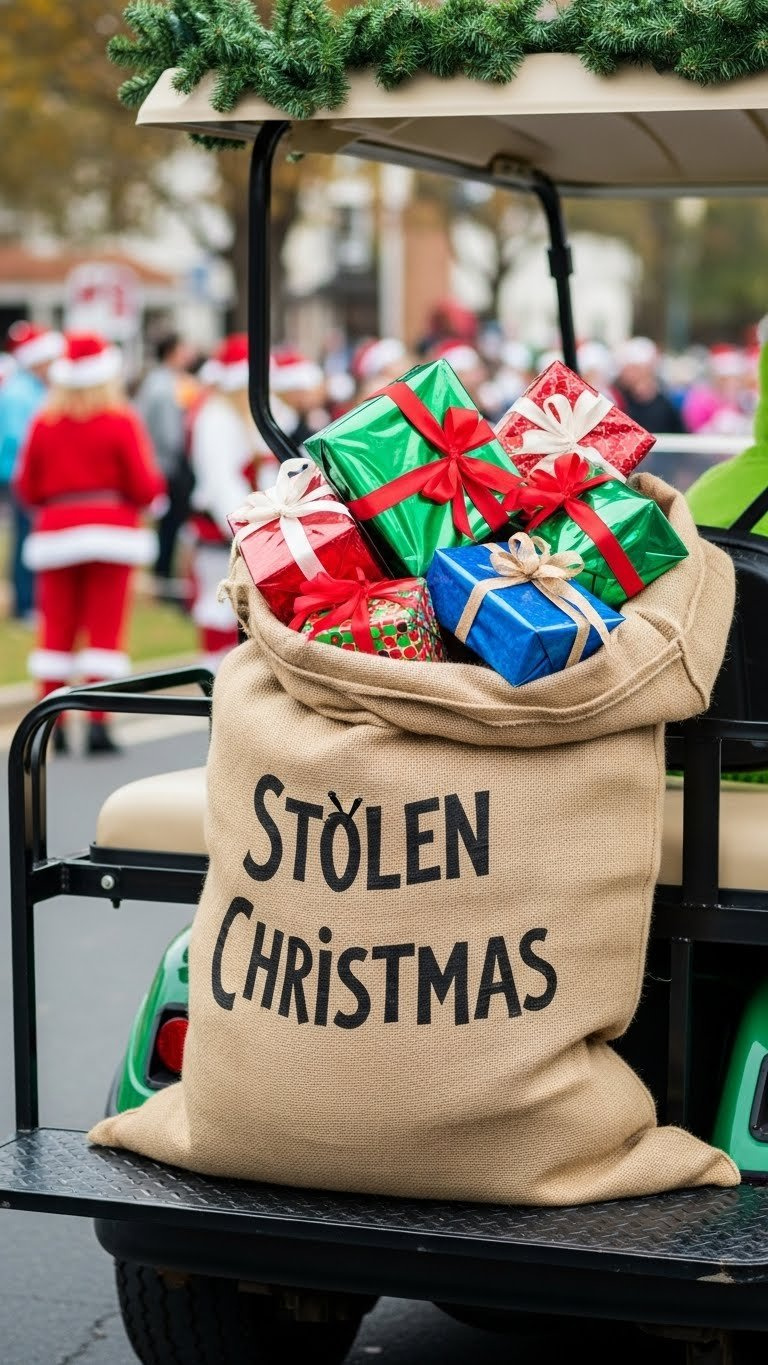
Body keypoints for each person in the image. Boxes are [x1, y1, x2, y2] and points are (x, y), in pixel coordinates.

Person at [13, 332, 166, 755]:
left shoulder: (43, 424)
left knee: (55, 633)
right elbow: (143, 484)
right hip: (112, 532)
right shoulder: (120, 421)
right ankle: (99, 723)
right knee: (105, 632)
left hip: (56, 533)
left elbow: (27, 486)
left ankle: (53, 725)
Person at [187, 334, 272, 673]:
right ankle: (216, 685)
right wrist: (247, 526)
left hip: (247, 527)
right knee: (218, 606)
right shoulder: (216, 419)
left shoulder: (244, 416)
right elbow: (221, 482)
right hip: (224, 530)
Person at [0, 322, 64, 620]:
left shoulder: (34, 388)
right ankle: (25, 604)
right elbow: (18, 438)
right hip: (20, 475)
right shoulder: (18, 392)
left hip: (34, 474)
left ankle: (32, 601)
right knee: (26, 537)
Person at [686, 319, 768, 536]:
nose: (729, 383)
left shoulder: (708, 490)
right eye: (724, 378)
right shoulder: (702, 399)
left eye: (733, 378)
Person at [133, 331, 196, 596]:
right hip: (167, 465)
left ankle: (163, 574)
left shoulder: (156, 381)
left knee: (167, 525)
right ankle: (164, 580)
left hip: (160, 462)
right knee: (170, 525)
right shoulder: (165, 385)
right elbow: (171, 434)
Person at [613, 336, 688, 434]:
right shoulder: (619, 400)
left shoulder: (665, 407)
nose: (624, 372)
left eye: (632, 368)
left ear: (645, 369)